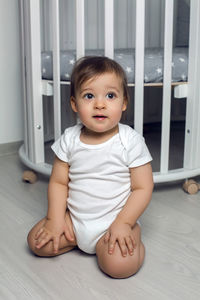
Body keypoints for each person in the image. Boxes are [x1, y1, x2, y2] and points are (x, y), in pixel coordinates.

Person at [27, 56, 154, 279]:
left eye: (110, 95)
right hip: (75, 221)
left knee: (119, 267)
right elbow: (58, 182)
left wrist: (124, 223)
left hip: (113, 222)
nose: (100, 104)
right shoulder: (70, 139)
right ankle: (76, 240)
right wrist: (55, 219)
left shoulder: (130, 141)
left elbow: (143, 187)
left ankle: (133, 233)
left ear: (124, 103)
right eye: (88, 96)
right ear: (75, 104)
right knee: (36, 242)